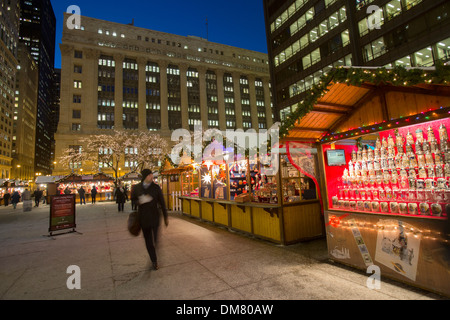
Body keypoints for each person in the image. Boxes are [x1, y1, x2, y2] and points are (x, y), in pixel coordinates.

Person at [131, 169, 168, 271]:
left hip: (155, 217)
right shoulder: (137, 187)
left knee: (156, 240)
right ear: (145, 177)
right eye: (149, 175)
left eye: (152, 175)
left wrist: (165, 216)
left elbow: (162, 202)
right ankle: (154, 261)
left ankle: (154, 253)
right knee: (148, 241)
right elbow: (133, 200)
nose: (152, 177)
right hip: (143, 218)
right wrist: (140, 201)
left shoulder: (156, 187)